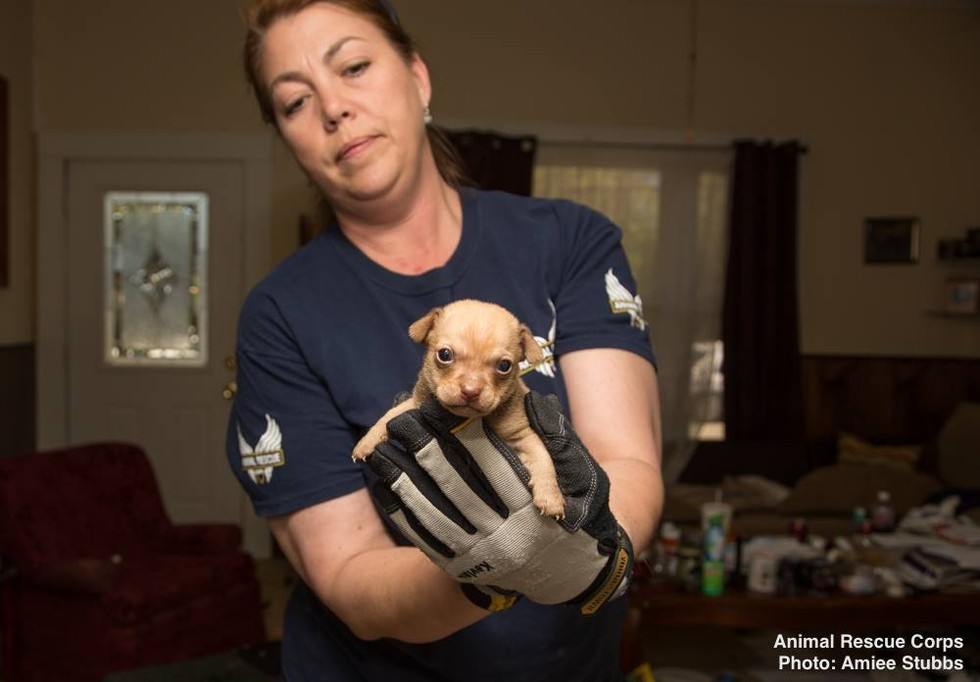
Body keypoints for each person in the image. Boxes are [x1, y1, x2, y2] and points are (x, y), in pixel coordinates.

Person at [227, 1, 664, 680]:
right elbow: (348, 573)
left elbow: (626, 463)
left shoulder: (570, 242)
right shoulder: (281, 315)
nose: (333, 108)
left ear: (418, 77)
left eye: (355, 66)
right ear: (287, 138)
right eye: (294, 102)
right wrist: (488, 568)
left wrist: (580, 558)